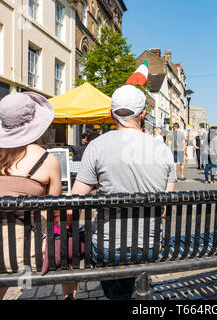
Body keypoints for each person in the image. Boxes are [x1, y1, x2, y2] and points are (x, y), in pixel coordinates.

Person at [66, 85, 176, 300]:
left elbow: (72, 204)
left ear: (110, 114)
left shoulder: (96, 146)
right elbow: (164, 210)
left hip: (108, 247)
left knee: (115, 282)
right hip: (149, 246)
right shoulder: (162, 149)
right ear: (143, 113)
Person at [0, 92, 64, 300]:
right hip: (27, 255)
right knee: (71, 238)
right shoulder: (46, 160)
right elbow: (55, 211)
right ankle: (70, 296)